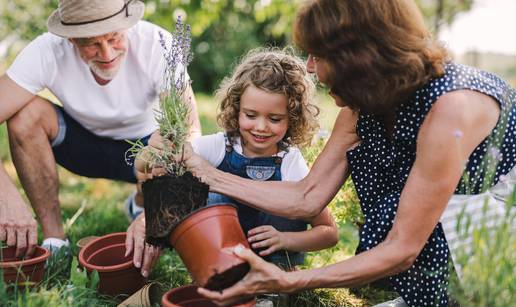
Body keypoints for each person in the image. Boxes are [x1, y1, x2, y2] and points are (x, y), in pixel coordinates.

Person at [146, 0, 516, 306]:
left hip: (493, 233)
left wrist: (290, 280)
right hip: (437, 223)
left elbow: (403, 246)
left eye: (317, 55)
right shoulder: (361, 107)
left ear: (359, 59)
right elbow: (307, 197)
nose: (308, 68)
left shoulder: (449, 110)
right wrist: (204, 172)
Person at [0, 0, 201, 279]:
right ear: (70, 38)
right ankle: (55, 240)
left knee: (172, 141)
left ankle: (141, 204)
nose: (106, 53)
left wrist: (155, 213)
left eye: (114, 37)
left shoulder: (157, 43)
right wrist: (5, 194)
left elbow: (190, 134)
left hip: (143, 150)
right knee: (25, 115)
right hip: (82, 146)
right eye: (91, 44)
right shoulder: (46, 50)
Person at [138, 49, 338, 270]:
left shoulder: (289, 160)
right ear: (237, 110)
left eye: (274, 118)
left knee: (290, 200)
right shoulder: (219, 147)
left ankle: (278, 279)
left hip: (272, 261)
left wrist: (286, 239)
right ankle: (216, 272)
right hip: (222, 258)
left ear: (292, 118)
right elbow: (148, 163)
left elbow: (329, 233)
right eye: (251, 115)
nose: (261, 127)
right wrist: (153, 151)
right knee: (211, 196)